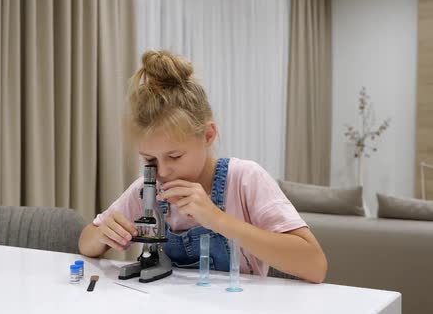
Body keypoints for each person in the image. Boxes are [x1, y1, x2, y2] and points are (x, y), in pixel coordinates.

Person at [78, 50, 327, 283]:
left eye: (174, 156)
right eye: (150, 160)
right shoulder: (148, 187)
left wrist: (217, 219)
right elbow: (86, 242)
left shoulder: (244, 180)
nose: (162, 172)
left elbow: (315, 265)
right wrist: (102, 235)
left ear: (208, 136)